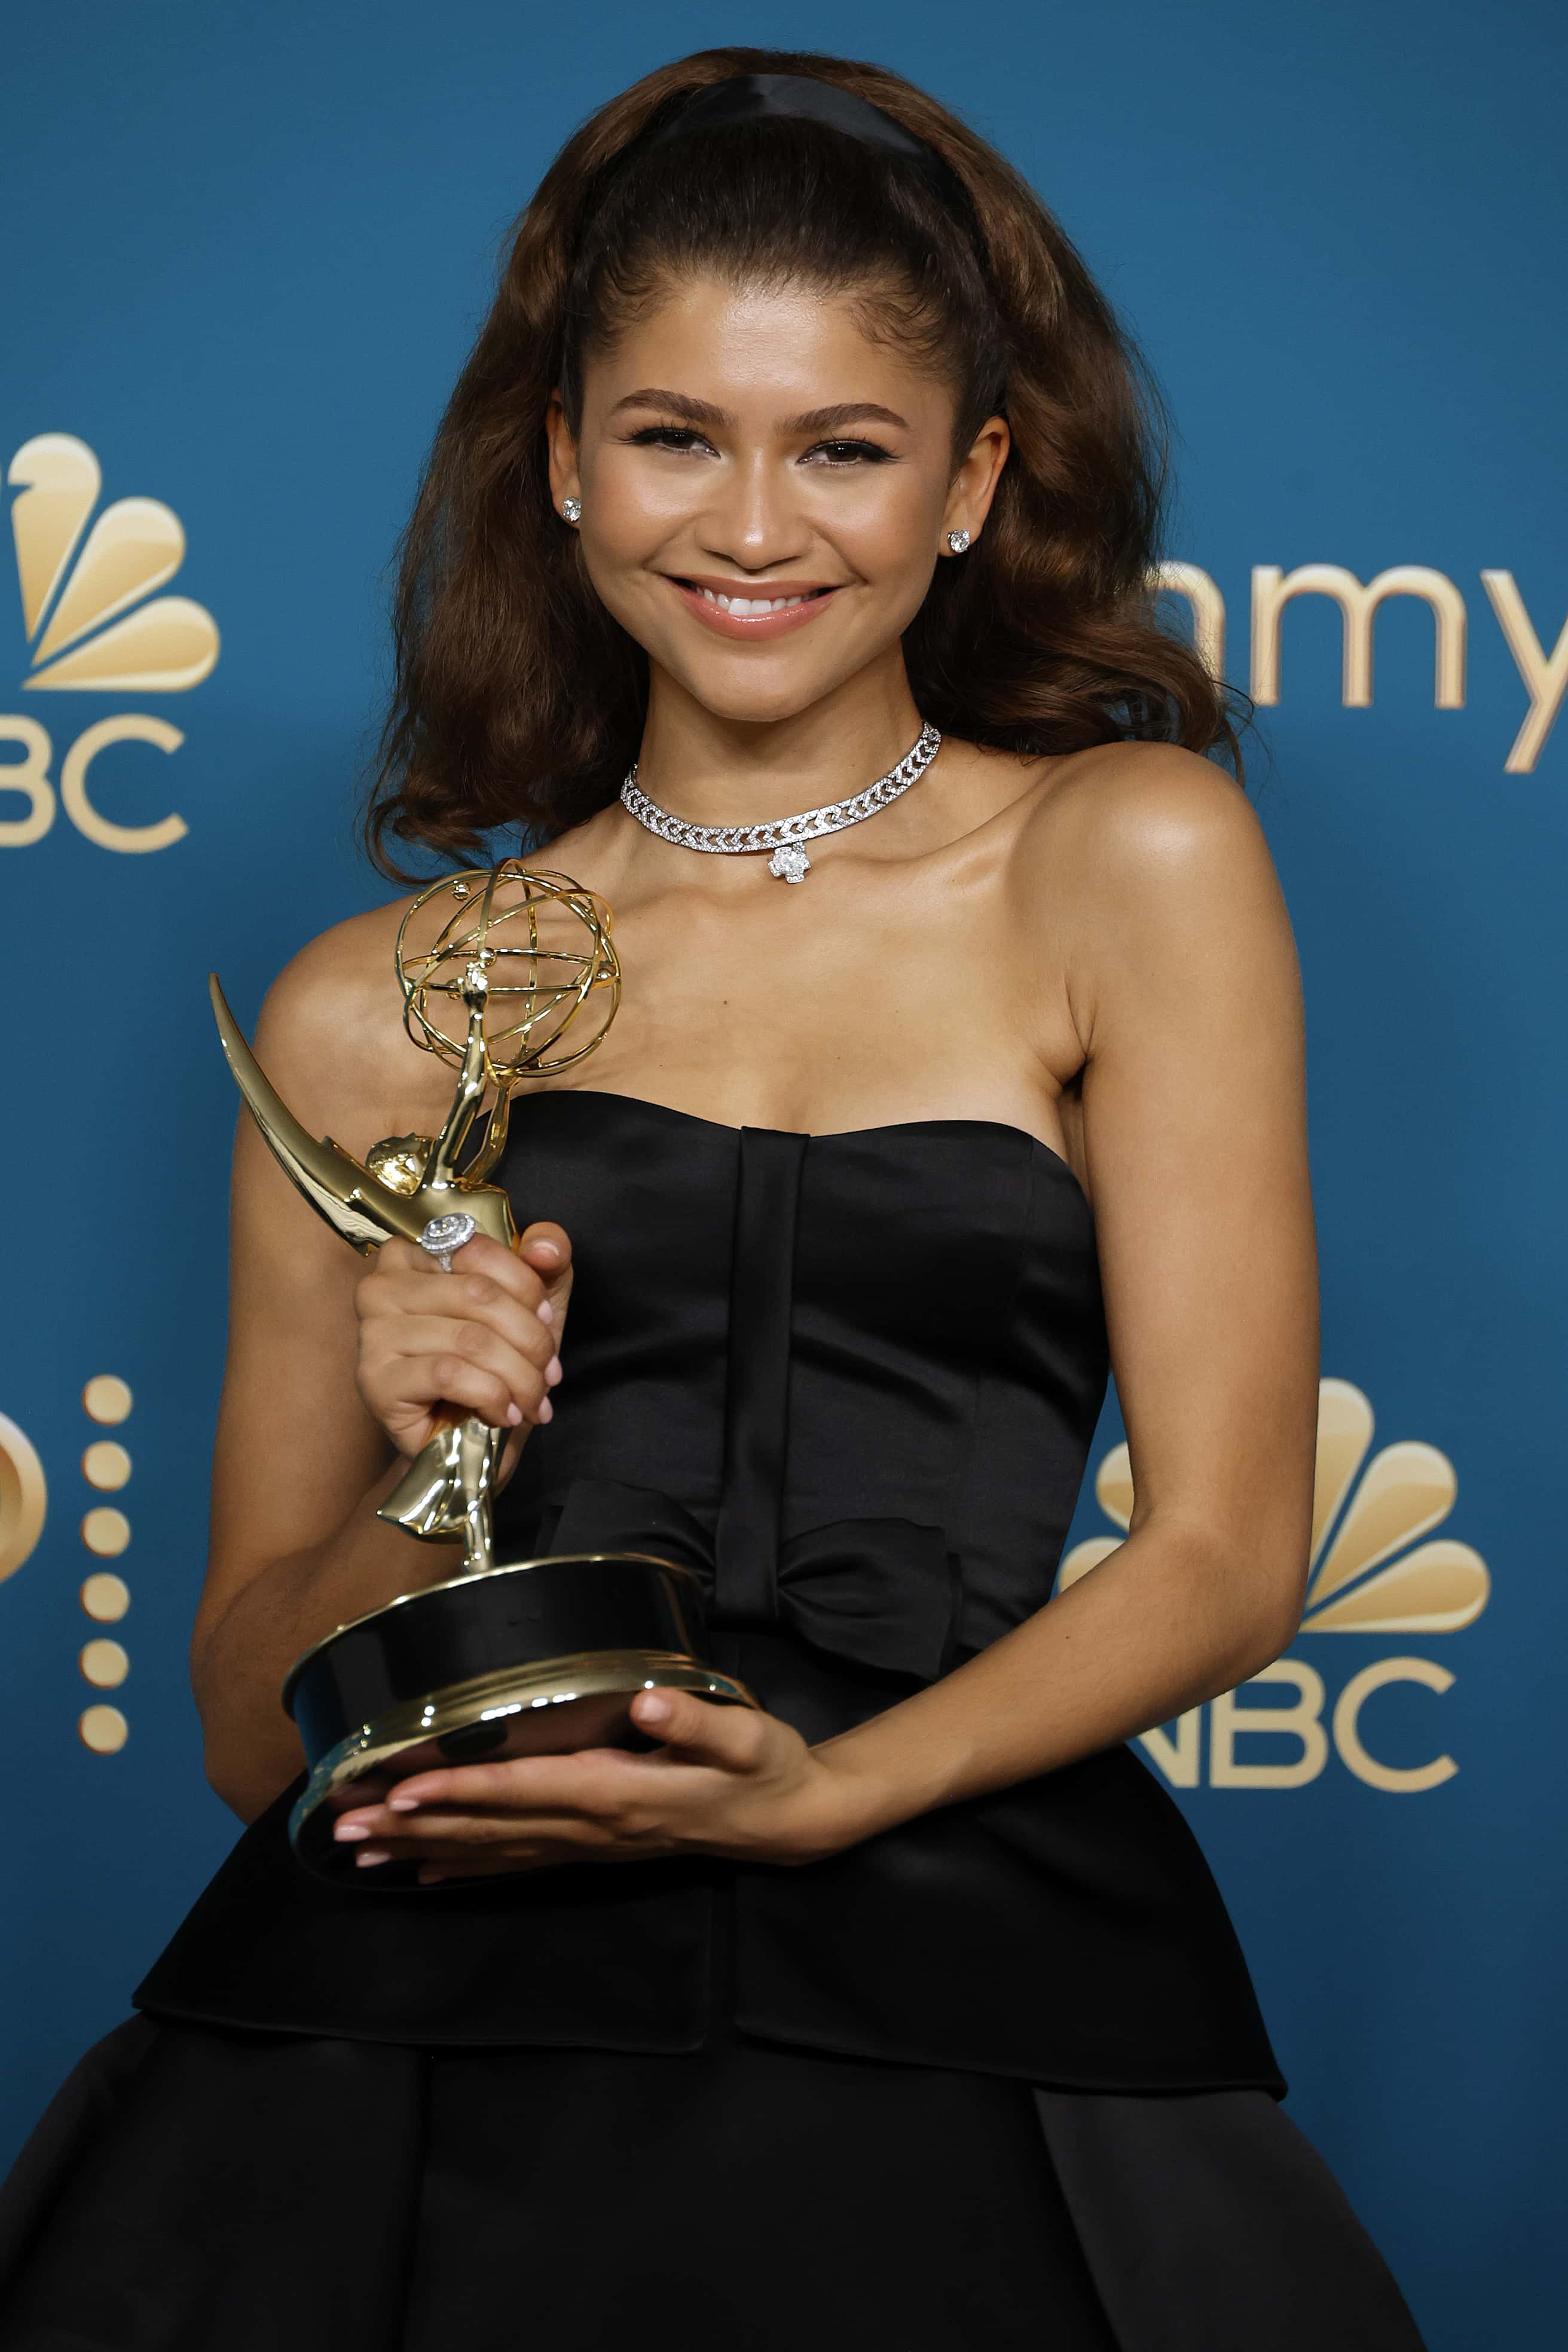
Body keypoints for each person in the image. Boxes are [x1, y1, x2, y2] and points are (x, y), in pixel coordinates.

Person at [0, 47, 1428, 2352]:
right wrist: (415, 1471)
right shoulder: (383, 1005)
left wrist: (818, 1799)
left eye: (842, 448)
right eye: (676, 435)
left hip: (977, 1955)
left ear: (969, 484)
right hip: (404, 2028)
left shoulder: (1123, 860)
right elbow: (255, 1732)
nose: (752, 526)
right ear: (565, 463)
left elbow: (1225, 1554)